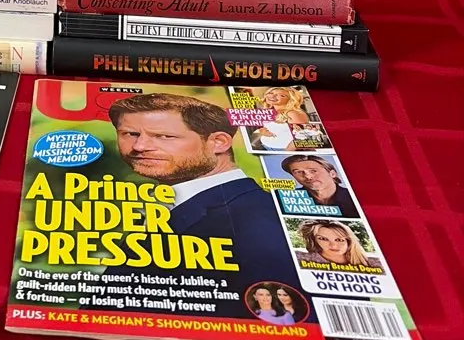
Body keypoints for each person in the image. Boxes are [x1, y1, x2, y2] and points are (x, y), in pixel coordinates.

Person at [108, 91, 303, 297]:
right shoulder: (163, 205)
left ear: (219, 142)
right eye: (130, 134)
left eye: (164, 136)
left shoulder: (261, 215)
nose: (139, 147)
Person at [281, 154, 358, 217]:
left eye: (313, 171)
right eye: (299, 172)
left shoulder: (354, 197)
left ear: (332, 174)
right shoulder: (286, 199)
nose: (308, 177)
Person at [298, 220, 379, 270]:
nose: (333, 245)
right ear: (314, 240)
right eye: (323, 239)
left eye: (339, 240)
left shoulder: (375, 262)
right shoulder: (300, 257)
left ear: (349, 242)